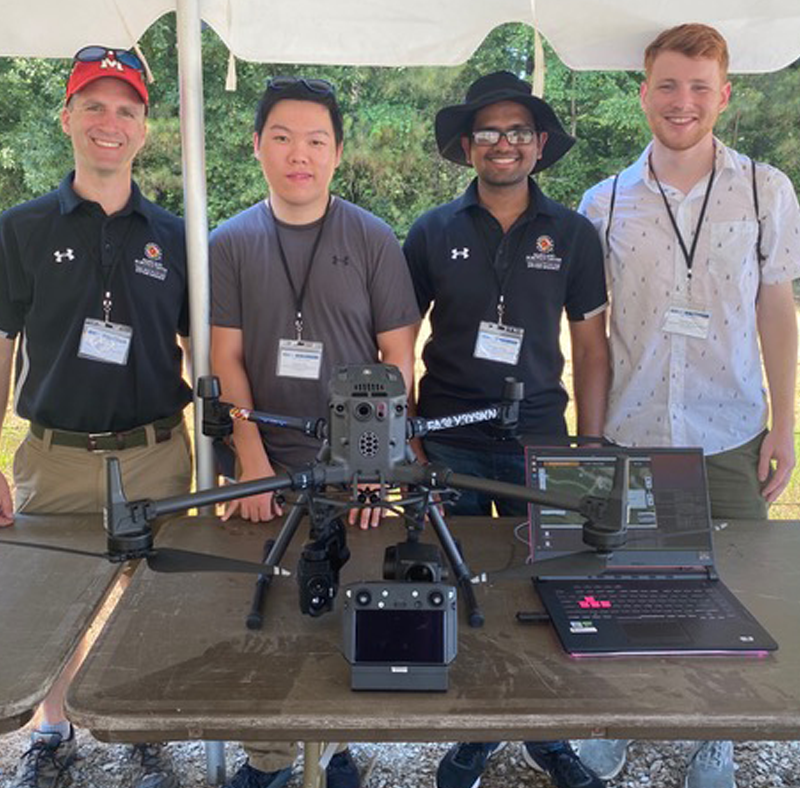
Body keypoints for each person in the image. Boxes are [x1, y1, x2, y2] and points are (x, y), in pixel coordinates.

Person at [578, 23, 800, 788]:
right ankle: (629, 721)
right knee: (632, 584)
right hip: (634, 431)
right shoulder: (603, 202)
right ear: (643, 93)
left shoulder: (766, 190)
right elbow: (593, 335)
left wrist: (786, 425)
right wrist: (591, 439)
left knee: (733, 586)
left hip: (731, 429)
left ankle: (718, 735)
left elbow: (778, 308)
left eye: (700, 87)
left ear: (725, 95)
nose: (683, 102)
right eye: (668, 85)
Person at [209, 76, 419, 788]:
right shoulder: (229, 241)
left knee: (338, 609)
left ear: (336, 153)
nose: (299, 154)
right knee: (261, 613)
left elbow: (398, 358)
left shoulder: (371, 237)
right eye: (283, 137)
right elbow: (225, 358)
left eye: (316, 140)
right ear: (258, 146)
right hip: (267, 463)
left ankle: (331, 754)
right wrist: (249, 458)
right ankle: (268, 759)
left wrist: (375, 464)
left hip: (354, 467)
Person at [404, 71, 610, 788]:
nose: (503, 143)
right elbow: (397, 341)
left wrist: (588, 444)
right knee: (465, 590)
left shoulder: (573, 234)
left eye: (517, 131)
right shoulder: (430, 231)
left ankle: (547, 734)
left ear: (539, 144)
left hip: (541, 439)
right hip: (449, 435)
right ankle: (474, 732)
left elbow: (590, 345)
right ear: (468, 145)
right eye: (488, 131)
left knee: (548, 587)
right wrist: (409, 433)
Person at [0, 47, 192, 788]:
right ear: (67, 119)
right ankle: (53, 733)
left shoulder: (176, 237)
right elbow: (3, 343)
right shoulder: (20, 229)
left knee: (151, 599)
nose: (109, 123)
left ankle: (141, 726)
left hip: (154, 453)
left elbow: (198, 348)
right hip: (52, 455)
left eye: (127, 110)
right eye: (94, 106)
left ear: (145, 130)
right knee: (47, 606)